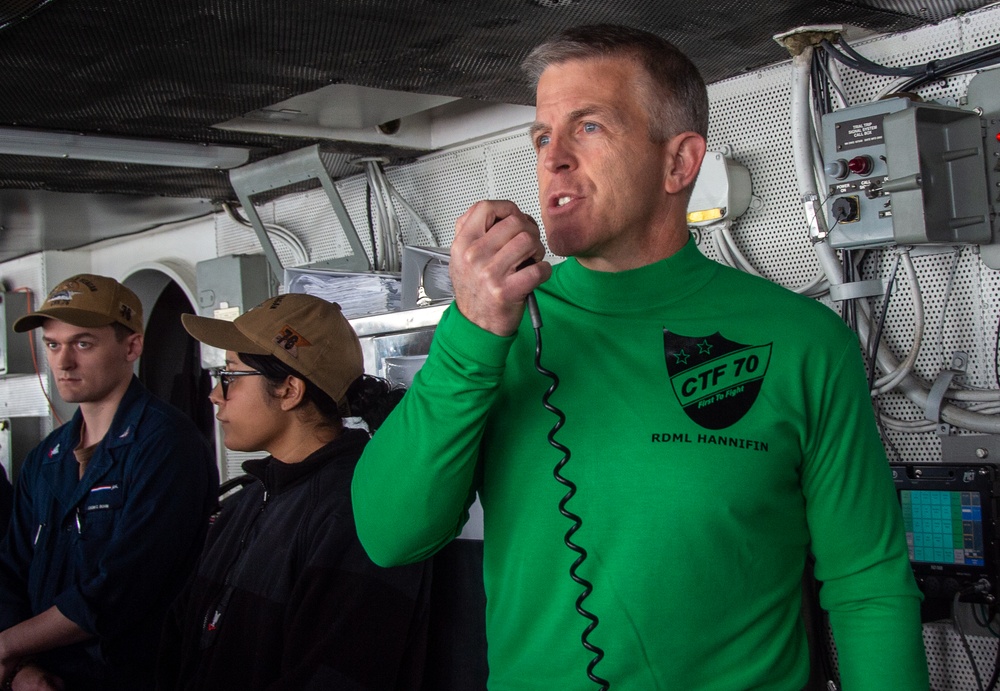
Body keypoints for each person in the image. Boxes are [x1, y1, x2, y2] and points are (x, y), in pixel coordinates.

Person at [352, 24, 929, 690]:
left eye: (589, 128)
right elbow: (389, 534)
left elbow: (868, 584)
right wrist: (473, 334)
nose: (553, 159)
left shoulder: (805, 341)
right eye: (542, 136)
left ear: (679, 162)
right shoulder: (490, 334)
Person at [158, 293, 431, 690]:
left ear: (289, 390)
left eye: (230, 377)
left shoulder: (359, 510)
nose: (215, 394)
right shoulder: (247, 502)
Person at [0, 273, 219, 691]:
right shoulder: (45, 460)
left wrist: (8, 647)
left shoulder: (166, 446)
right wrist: (22, 668)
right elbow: (10, 570)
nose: (64, 362)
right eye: (53, 345)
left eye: (83, 344)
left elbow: (122, 589)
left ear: (131, 346)